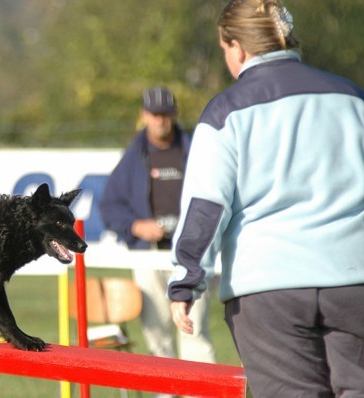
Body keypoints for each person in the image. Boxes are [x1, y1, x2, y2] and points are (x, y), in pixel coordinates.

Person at [168, 0, 364, 396]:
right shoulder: (353, 98)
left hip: (269, 291)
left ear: (236, 47)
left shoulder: (225, 112)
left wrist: (186, 282)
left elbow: (207, 207)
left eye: (225, 51)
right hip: (355, 280)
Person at [99, 87, 216, 369]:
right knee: (156, 332)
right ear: (144, 115)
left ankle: (199, 391)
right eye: (155, 114)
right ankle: (164, 391)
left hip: (192, 253)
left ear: (174, 114)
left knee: (194, 329)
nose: (160, 120)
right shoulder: (133, 156)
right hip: (148, 256)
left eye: (165, 114)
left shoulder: (196, 150)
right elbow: (109, 206)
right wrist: (136, 226)